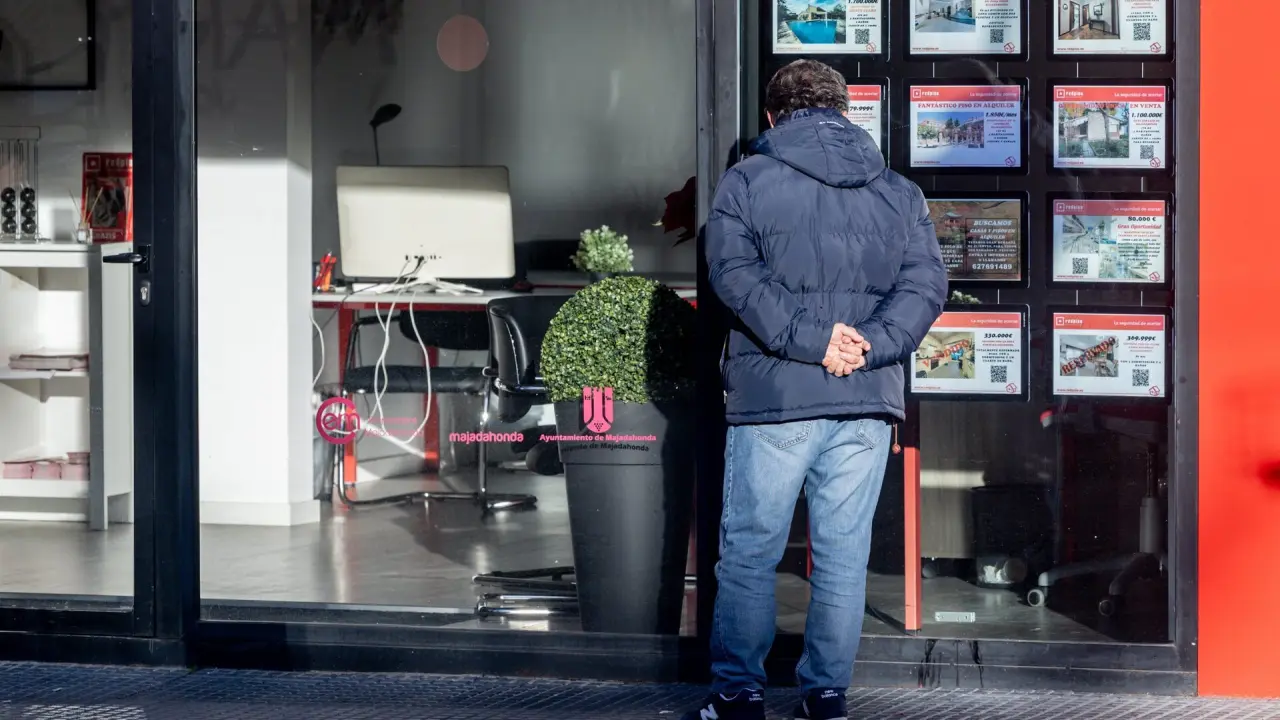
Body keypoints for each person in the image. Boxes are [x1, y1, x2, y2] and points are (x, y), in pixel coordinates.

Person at [685, 59, 947, 720]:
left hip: (775, 399)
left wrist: (813, 341)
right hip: (865, 395)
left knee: (749, 554)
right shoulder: (900, 191)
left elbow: (734, 275)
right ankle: (826, 696)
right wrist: (868, 345)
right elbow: (925, 287)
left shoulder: (747, 179)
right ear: (846, 111)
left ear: (771, 117)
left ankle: (738, 696)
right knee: (842, 555)